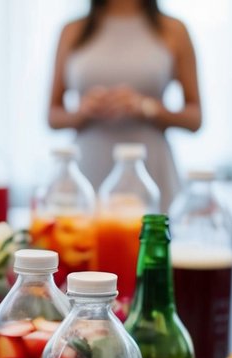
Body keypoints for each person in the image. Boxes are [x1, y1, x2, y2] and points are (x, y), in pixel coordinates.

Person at [47, 0, 202, 207]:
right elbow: (53, 116)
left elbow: (195, 118)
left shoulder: (173, 30)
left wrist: (146, 107)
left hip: (152, 171)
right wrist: (83, 112)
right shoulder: (73, 31)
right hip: (87, 170)